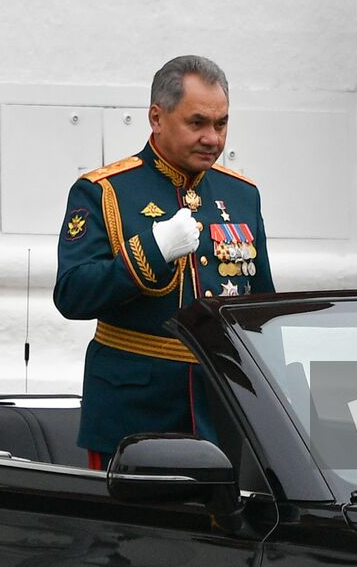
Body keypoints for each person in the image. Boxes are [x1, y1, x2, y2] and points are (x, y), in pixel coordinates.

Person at [54, 55, 275, 469]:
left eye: (221, 123)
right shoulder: (105, 192)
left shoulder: (242, 194)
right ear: (157, 117)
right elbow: (72, 294)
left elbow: (260, 306)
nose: (213, 138)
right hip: (134, 411)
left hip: (221, 409)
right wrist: (151, 252)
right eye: (197, 123)